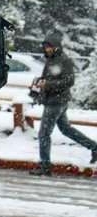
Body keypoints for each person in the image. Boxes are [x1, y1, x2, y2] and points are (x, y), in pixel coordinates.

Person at [29, 32, 97, 176]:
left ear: (56, 47)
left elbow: (69, 81)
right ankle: (94, 147)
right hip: (55, 100)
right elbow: (49, 78)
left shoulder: (63, 60)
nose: (47, 50)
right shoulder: (52, 60)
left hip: (56, 102)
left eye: (49, 47)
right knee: (66, 129)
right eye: (45, 47)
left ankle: (45, 166)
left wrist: (47, 85)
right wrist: (38, 85)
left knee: (44, 134)